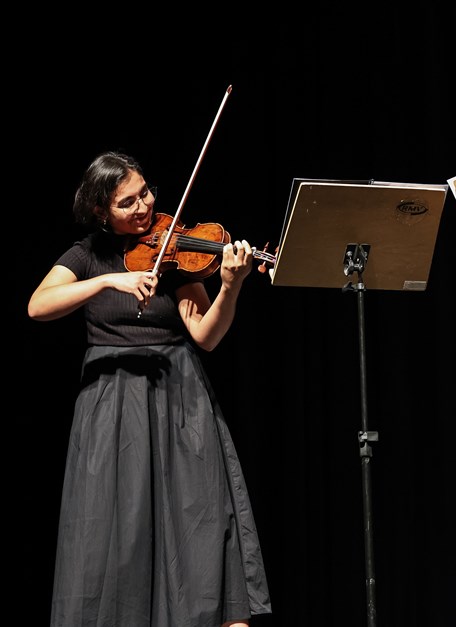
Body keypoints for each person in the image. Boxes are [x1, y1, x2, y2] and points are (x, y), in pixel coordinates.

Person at [28, 151, 272, 627]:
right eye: (127, 202)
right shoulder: (87, 255)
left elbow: (205, 335)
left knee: (200, 531)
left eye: (146, 193)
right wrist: (108, 282)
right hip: (111, 410)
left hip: (180, 402)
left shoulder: (175, 249)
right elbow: (38, 306)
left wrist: (230, 286)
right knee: (113, 541)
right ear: (101, 211)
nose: (144, 207)